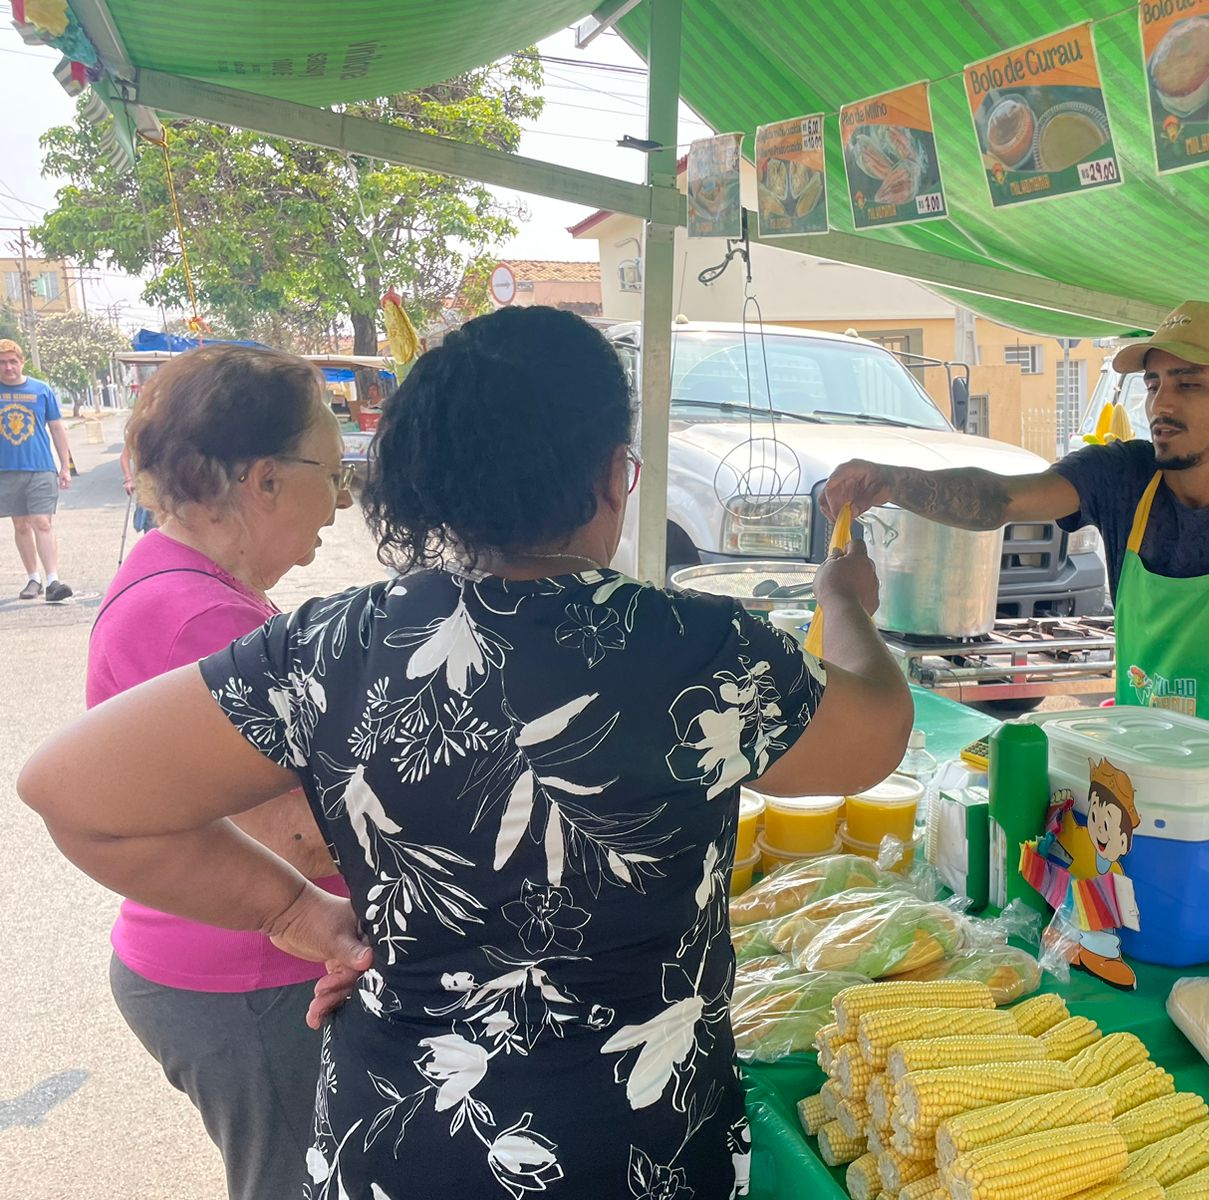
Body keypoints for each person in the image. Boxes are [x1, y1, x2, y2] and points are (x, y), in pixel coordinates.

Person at [20, 305, 912, 1198]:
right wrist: (846, 606)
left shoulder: (335, 647)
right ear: (611, 475)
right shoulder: (697, 647)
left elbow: (70, 792)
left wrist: (297, 913)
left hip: (404, 1146)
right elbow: (874, 736)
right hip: (639, 1149)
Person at [825, 300, 1209, 881]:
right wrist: (893, 480)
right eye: (1154, 383)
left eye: (1190, 384)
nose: (1162, 404)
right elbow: (1000, 500)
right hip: (1129, 793)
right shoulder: (1122, 478)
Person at [88, 344, 356, 1199]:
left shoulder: (205, 590)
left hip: (244, 964)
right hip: (251, 978)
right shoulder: (196, 614)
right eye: (333, 469)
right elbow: (291, 836)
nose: (342, 499)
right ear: (264, 482)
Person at [0, 338, 74, 601]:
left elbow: (56, 428)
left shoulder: (41, 390)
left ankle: (54, 581)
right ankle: (33, 578)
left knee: (42, 522)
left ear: (21, 362)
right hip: (5, 470)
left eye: (12, 361)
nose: (8, 367)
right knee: (20, 525)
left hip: (40, 467)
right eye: (2, 362)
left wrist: (65, 466)